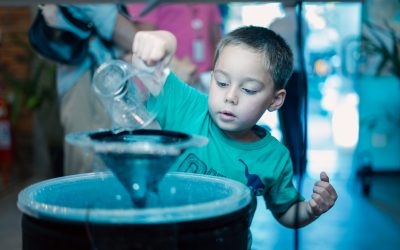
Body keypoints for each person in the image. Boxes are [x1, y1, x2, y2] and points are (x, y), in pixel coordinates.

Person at [132, 26, 337, 230]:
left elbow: (286, 211)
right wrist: (162, 40)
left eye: (248, 89)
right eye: (221, 83)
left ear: (275, 100)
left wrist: (311, 210)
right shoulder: (187, 105)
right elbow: (147, 66)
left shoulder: (275, 157)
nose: (230, 97)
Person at [41, 4, 138, 175]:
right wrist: (144, 45)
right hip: (88, 80)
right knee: (90, 167)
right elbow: (107, 17)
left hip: (100, 77)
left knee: (104, 166)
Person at [126, 3, 222, 92]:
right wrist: (173, 68)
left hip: (204, 79)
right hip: (169, 79)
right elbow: (142, 41)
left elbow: (217, 40)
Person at [269, 2, 309, 176]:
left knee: (287, 120)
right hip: (300, 75)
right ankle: (300, 162)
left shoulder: (277, 23)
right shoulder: (304, 22)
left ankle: (292, 162)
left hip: (285, 76)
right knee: (296, 120)